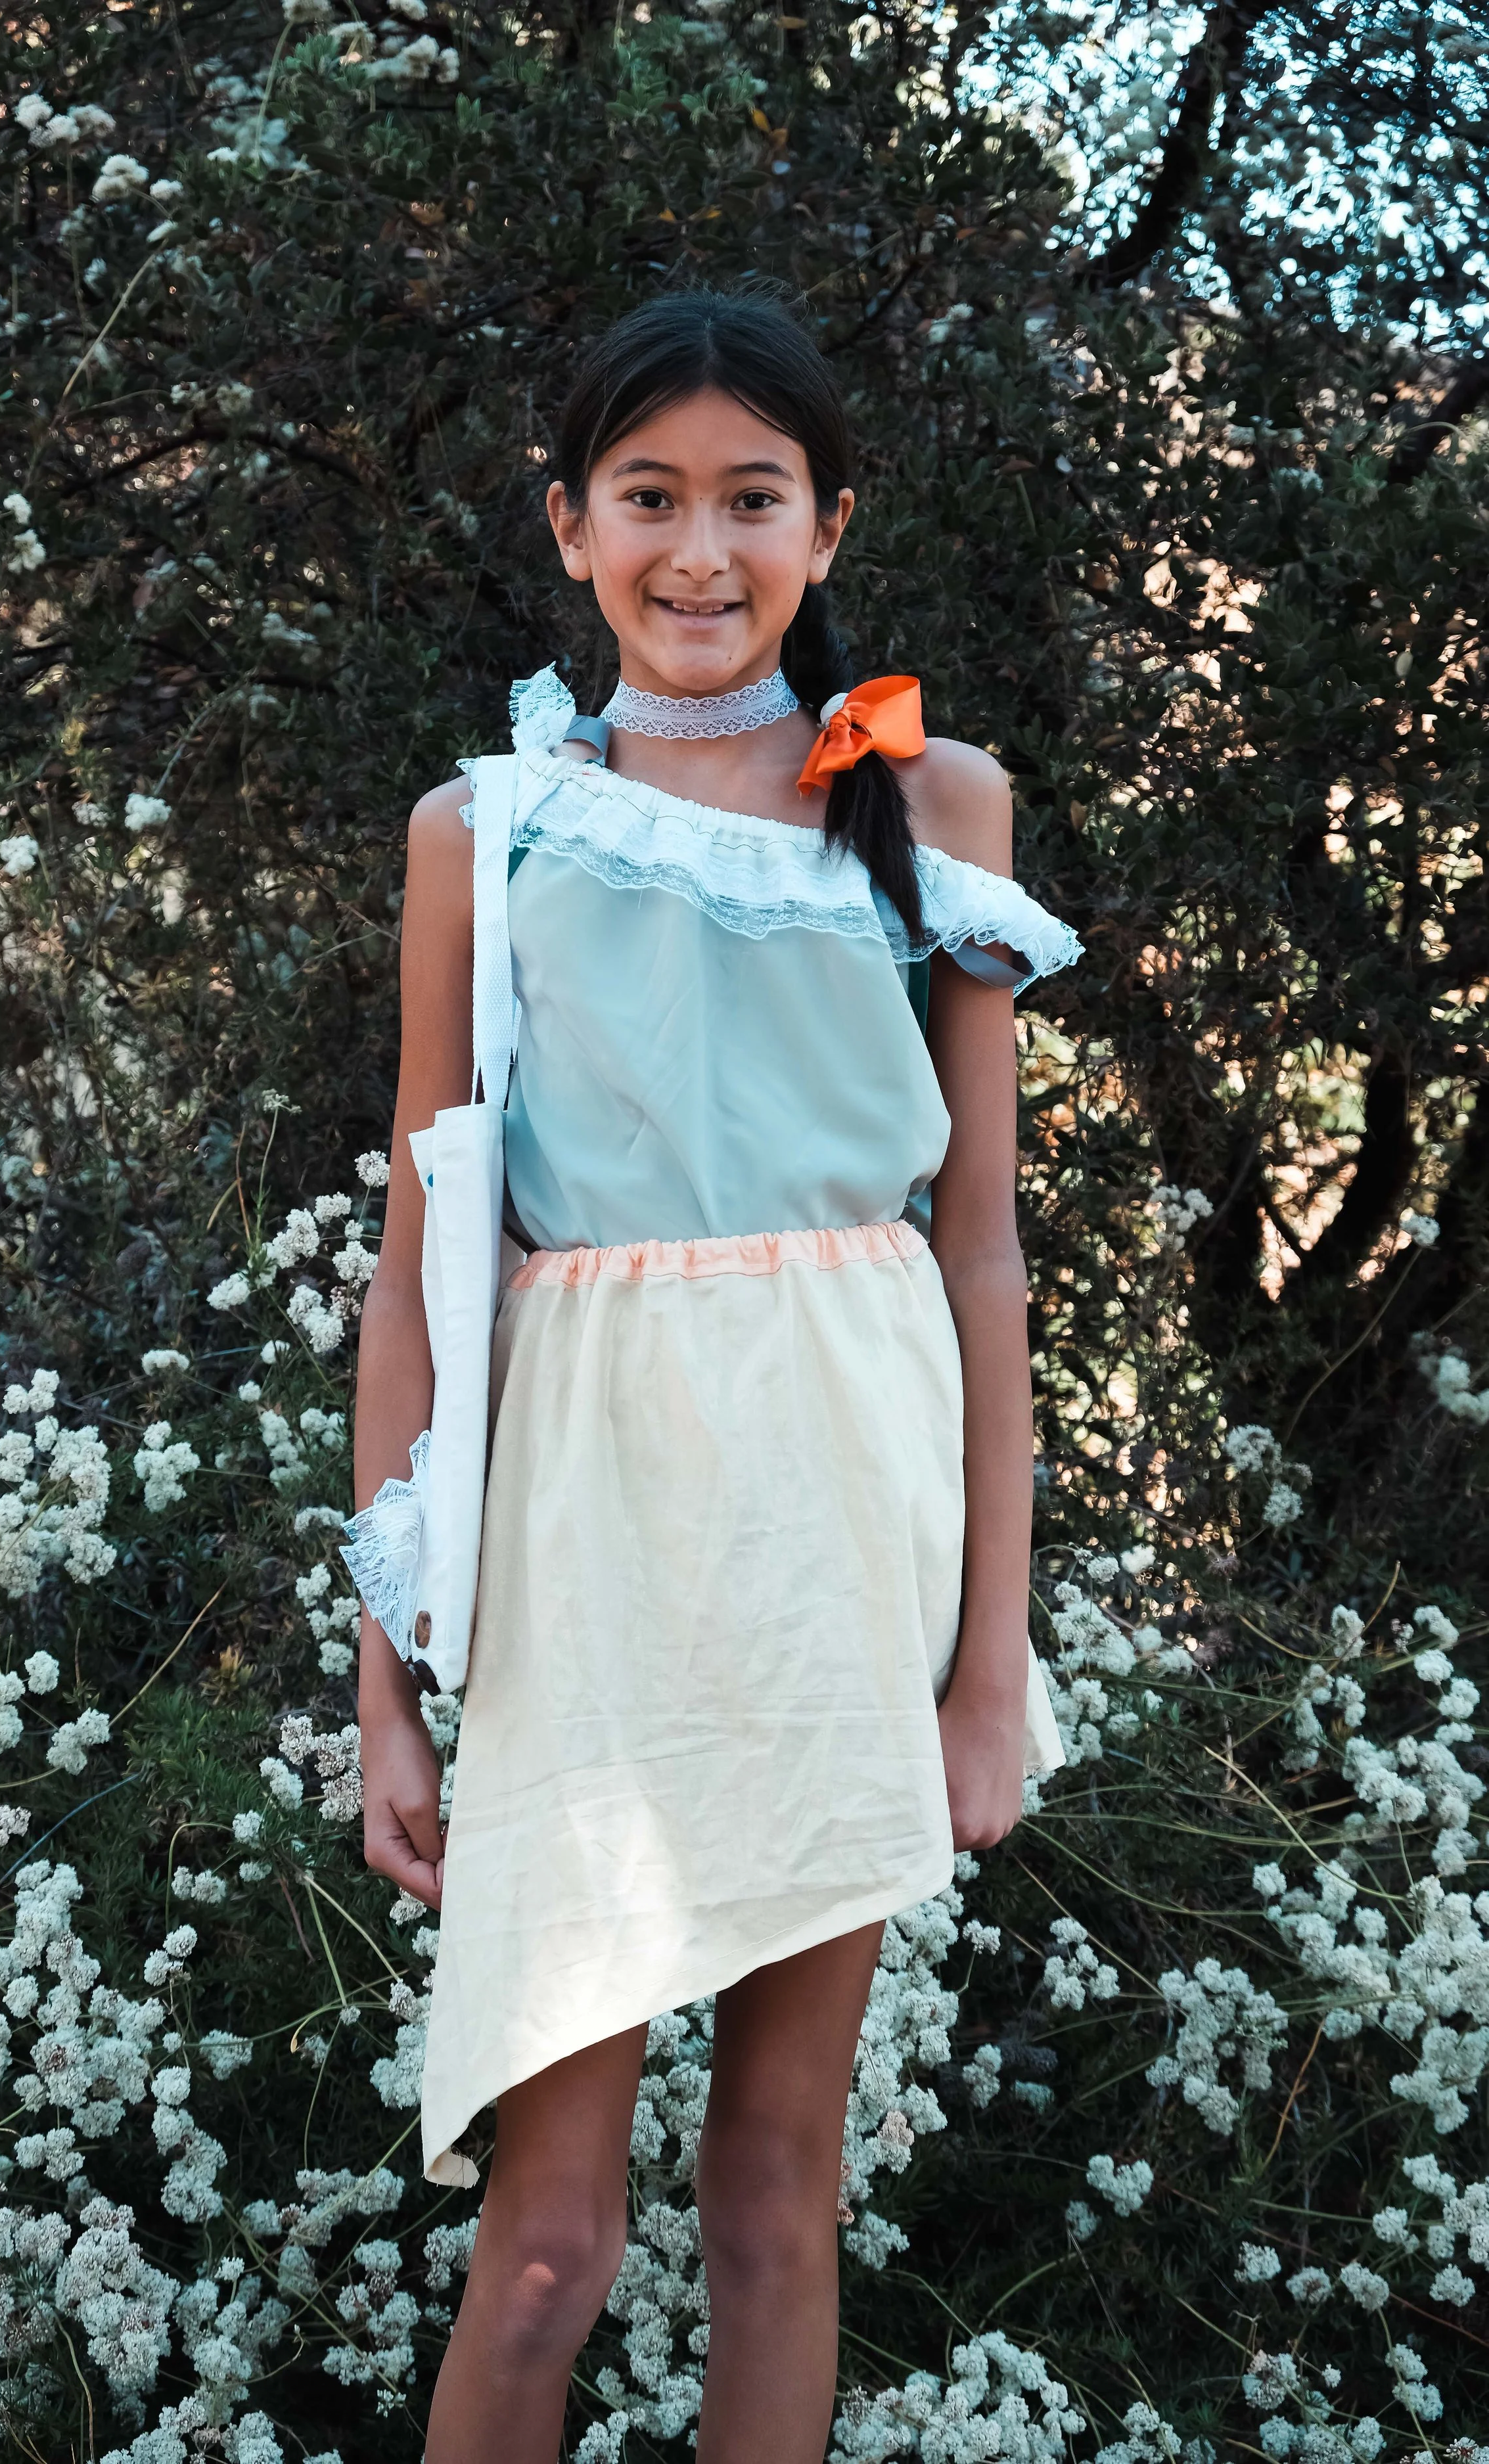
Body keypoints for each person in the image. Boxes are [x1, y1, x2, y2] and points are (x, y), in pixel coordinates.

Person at [349, 290, 1082, 2464]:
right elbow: (422, 1240)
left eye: (749, 499)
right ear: (567, 526)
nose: (697, 547)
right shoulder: (484, 825)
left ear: (824, 521)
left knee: (770, 2199)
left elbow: (981, 1251)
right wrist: (386, 1674)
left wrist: (985, 1667)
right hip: (585, 1532)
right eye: (646, 497)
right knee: (547, 2239)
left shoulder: (932, 797)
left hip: (843, 1526)